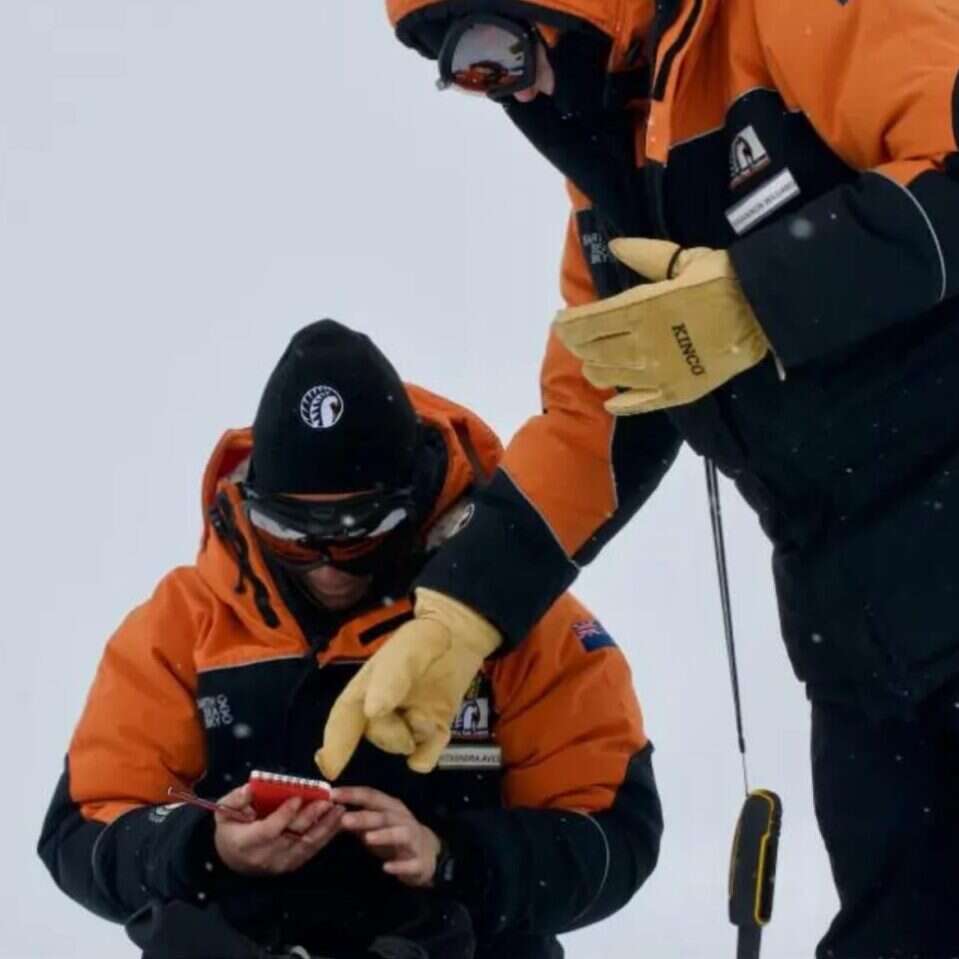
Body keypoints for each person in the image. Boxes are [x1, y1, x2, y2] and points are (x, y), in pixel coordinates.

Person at [314, 3, 959, 956]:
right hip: (868, 647)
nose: (501, 88)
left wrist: (764, 292)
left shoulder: (802, 17)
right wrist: (456, 615)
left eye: (493, 49)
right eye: (463, 73)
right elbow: (596, 418)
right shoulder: (614, 185)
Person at [37, 319, 662, 959]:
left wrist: (452, 858)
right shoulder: (182, 625)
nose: (328, 565)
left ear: (414, 500)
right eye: (290, 534)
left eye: (360, 530)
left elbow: (615, 830)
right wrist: (205, 845)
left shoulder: (512, 616)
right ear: (250, 506)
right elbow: (82, 829)